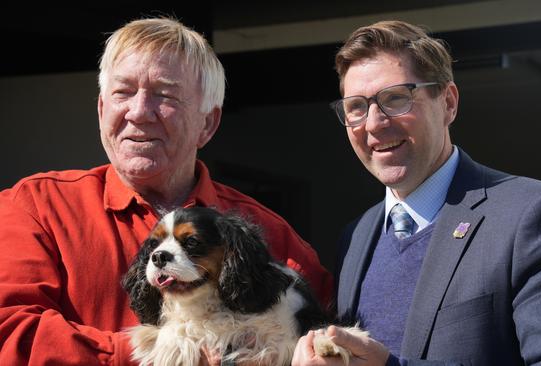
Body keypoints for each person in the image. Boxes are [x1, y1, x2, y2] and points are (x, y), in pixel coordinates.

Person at [0, 17, 333, 365]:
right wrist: (156, 353)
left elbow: (326, 340)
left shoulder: (275, 237)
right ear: (101, 110)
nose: (139, 112)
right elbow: (9, 333)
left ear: (207, 123)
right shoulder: (34, 209)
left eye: (165, 95)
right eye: (123, 92)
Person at [293, 20, 541, 366]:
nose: (374, 123)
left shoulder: (540, 217)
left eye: (396, 98)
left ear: (448, 103)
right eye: (356, 107)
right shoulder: (355, 237)